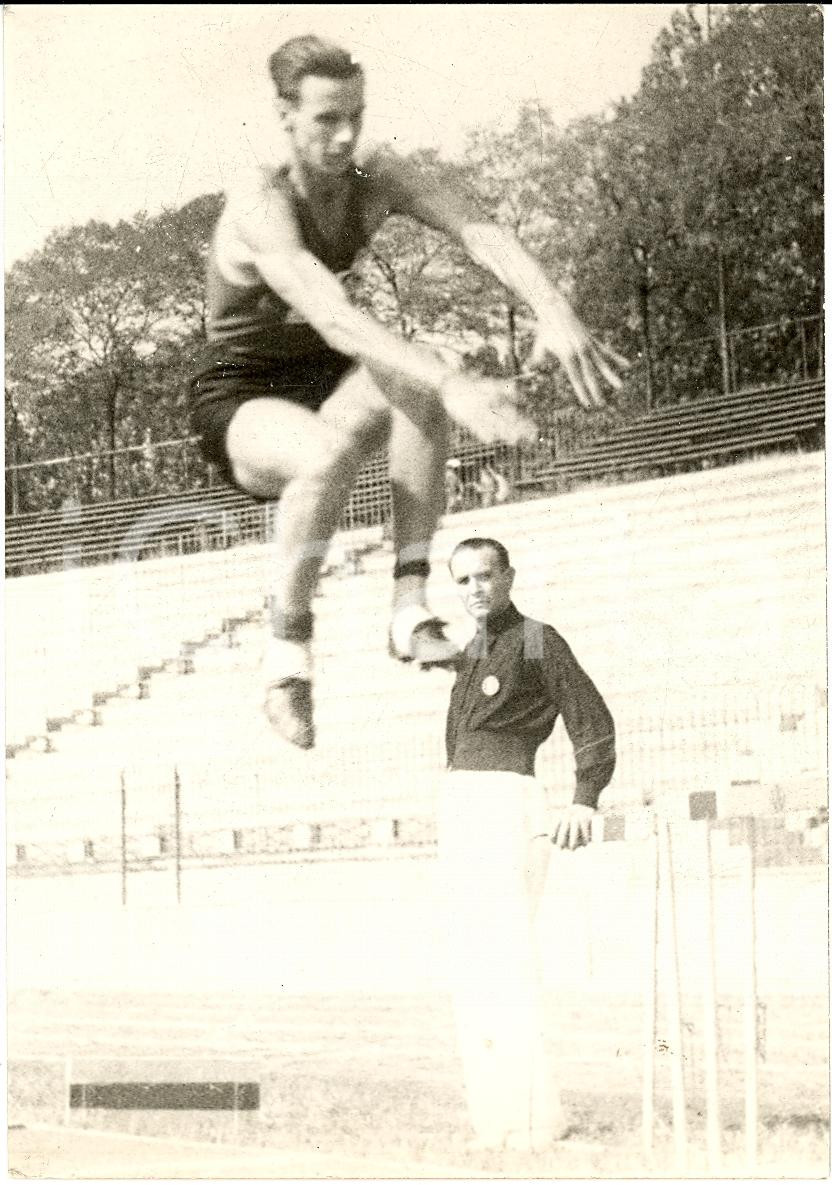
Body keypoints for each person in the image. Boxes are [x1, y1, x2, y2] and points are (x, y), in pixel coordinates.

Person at [188, 34, 624, 749]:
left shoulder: (375, 177)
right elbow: (332, 314)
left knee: (421, 366)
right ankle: (286, 658)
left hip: (332, 377)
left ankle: (408, 608)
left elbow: (479, 229)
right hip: (243, 395)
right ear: (285, 115)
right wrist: (455, 386)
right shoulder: (260, 202)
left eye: (355, 115)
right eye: (326, 119)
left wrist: (555, 308)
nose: (346, 135)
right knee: (337, 444)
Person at [441, 536, 615, 1154]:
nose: (475, 590)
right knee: (474, 966)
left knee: (506, 961)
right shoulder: (472, 649)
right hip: (463, 804)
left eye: (485, 576)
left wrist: (584, 796)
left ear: (508, 576)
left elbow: (589, 715)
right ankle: (497, 1120)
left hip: (505, 802)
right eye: (462, 581)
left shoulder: (538, 638)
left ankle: (537, 1121)